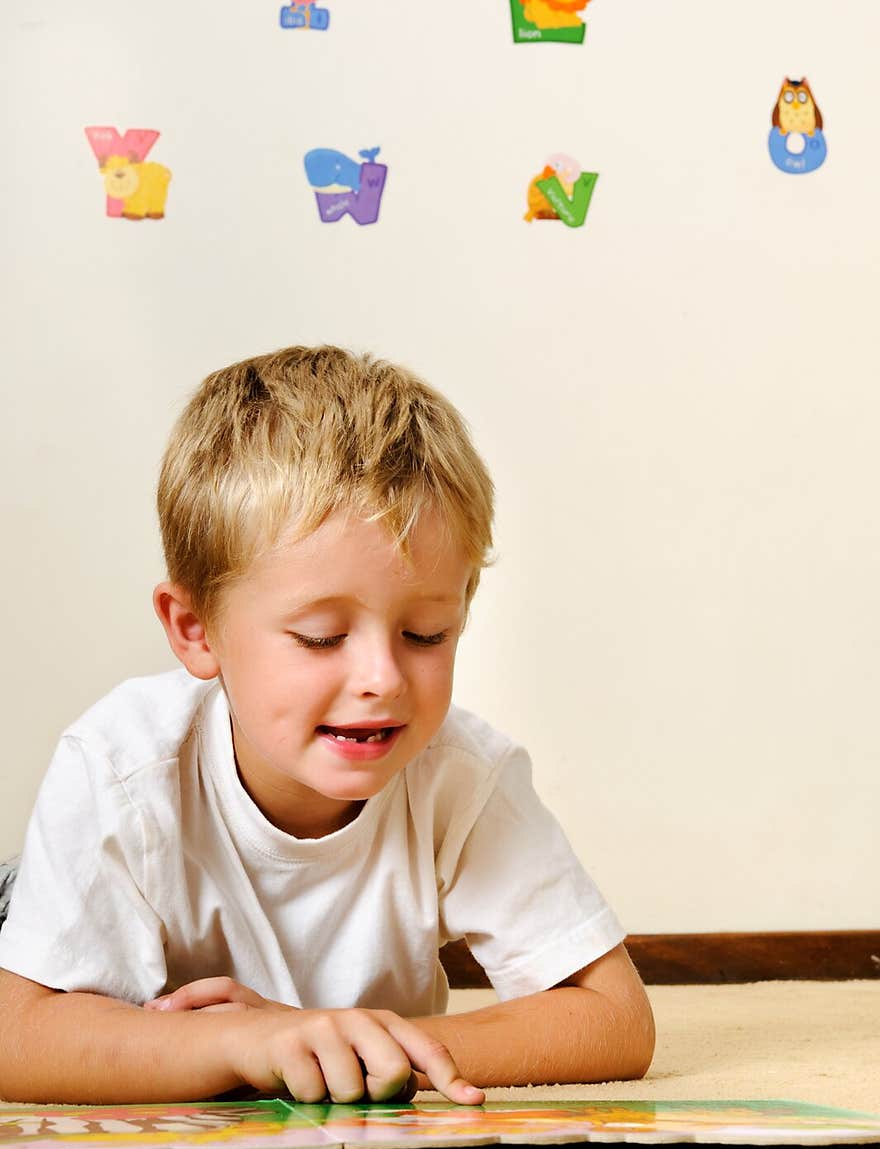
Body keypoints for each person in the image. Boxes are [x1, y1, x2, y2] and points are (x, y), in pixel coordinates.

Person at [0, 345, 654, 1105]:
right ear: (196, 631)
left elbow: (616, 1020)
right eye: (320, 638)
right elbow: (18, 1034)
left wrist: (354, 1036)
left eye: (426, 635)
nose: (382, 679)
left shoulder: (462, 777)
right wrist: (244, 1042)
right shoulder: (118, 766)